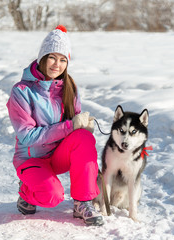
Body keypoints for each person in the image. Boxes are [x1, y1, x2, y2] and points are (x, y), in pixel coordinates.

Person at [6, 25, 104, 226]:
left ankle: (82, 202)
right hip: (31, 159)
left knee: (84, 138)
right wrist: (70, 126)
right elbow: (27, 136)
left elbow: (74, 128)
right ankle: (26, 191)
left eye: (62, 60)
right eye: (52, 57)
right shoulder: (22, 91)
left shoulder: (69, 88)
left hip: (58, 156)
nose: (56, 65)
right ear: (42, 58)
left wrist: (82, 127)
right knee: (52, 197)